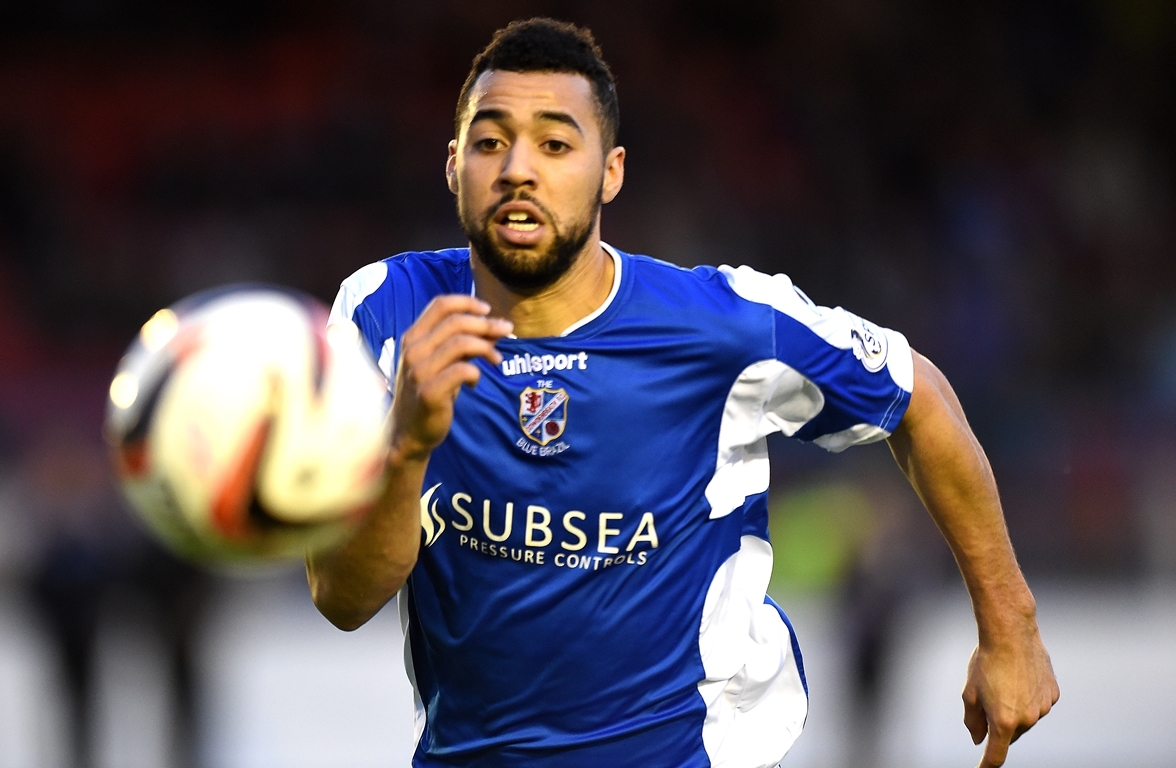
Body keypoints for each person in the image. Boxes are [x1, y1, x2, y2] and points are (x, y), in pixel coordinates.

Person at [306, 18, 1057, 768]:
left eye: (556, 144)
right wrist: (405, 446)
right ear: (453, 164)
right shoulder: (385, 313)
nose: (517, 170)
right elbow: (342, 599)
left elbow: (916, 394)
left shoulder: (722, 327)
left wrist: (1009, 625)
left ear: (611, 171)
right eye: (490, 140)